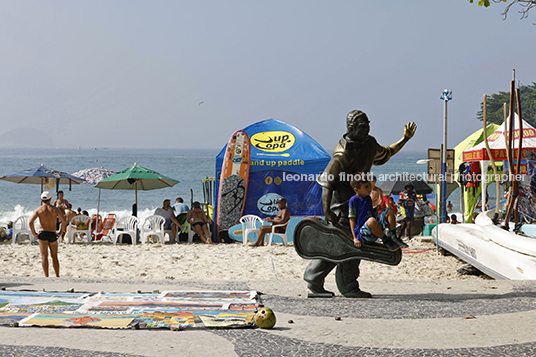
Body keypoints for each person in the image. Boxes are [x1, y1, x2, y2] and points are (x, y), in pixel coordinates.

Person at [304, 110, 416, 298]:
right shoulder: (343, 153)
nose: (367, 129)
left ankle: (316, 279)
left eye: (368, 125)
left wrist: (404, 139)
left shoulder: (369, 144)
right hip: (342, 208)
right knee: (345, 246)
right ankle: (342, 285)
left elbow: (386, 152)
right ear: (351, 128)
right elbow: (327, 184)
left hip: (359, 203)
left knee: (342, 245)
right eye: (362, 127)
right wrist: (328, 213)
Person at [349, 177, 403, 251]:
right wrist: (355, 238)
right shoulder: (354, 200)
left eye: (369, 186)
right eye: (366, 187)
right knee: (371, 220)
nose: (369, 189)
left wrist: (376, 209)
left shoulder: (368, 198)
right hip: (364, 233)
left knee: (389, 210)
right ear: (356, 189)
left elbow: (368, 212)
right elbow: (352, 219)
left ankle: (393, 236)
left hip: (374, 227)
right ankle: (385, 240)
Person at [29, 191, 67, 277]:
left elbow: (30, 222)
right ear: (50, 199)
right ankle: (57, 275)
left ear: (41, 199)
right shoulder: (55, 209)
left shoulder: (38, 210)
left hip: (42, 233)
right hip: (52, 233)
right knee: (54, 256)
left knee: (44, 256)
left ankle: (46, 276)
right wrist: (60, 232)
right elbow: (64, 221)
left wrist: (34, 233)